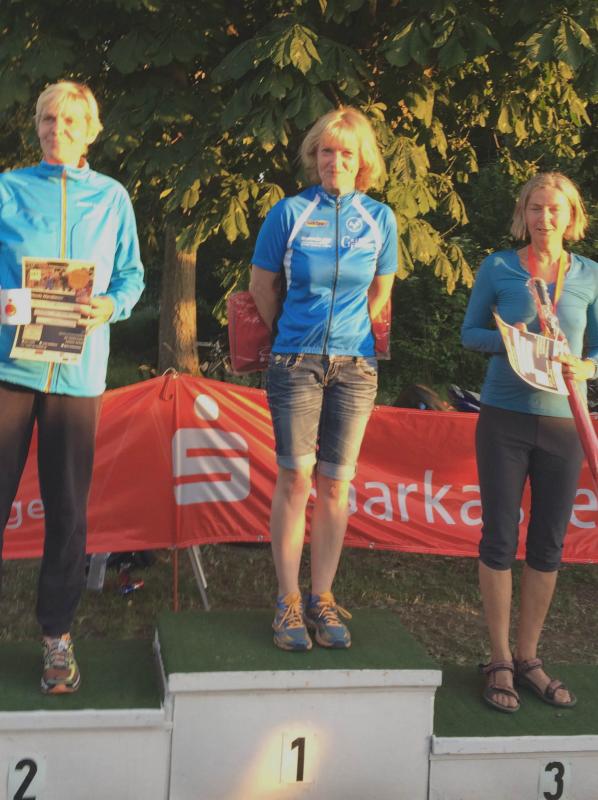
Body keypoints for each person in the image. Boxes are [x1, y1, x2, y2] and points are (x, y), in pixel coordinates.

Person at [0, 81, 144, 693]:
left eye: (69, 121)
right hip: (9, 371)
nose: (57, 129)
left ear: (90, 131)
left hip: (78, 377)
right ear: (36, 125)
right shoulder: (8, 189)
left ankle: (56, 637)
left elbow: (132, 275)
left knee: (67, 510)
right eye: (48, 119)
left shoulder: (112, 197)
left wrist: (110, 305)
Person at [249, 107, 397, 651]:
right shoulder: (288, 213)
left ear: (362, 161)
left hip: (356, 366)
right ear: (314, 157)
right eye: (326, 151)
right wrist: (292, 333)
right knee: (295, 479)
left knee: (337, 484)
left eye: (346, 153)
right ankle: (287, 600)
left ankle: (323, 597)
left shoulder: (380, 218)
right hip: (296, 363)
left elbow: (381, 291)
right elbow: (262, 287)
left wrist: (350, 337)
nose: (336, 161)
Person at [461, 172, 597, 712]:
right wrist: (512, 342)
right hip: (504, 418)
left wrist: (585, 366)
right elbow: (470, 333)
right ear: (523, 213)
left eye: (555, 209)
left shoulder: (589, 275)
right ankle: (498, 659)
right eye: (536, 207)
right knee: (498, 538)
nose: (545, 218)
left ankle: (528, 658)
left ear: (572, 216)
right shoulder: (498, 267)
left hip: (564, 422)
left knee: (548, 545)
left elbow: (596, 352)